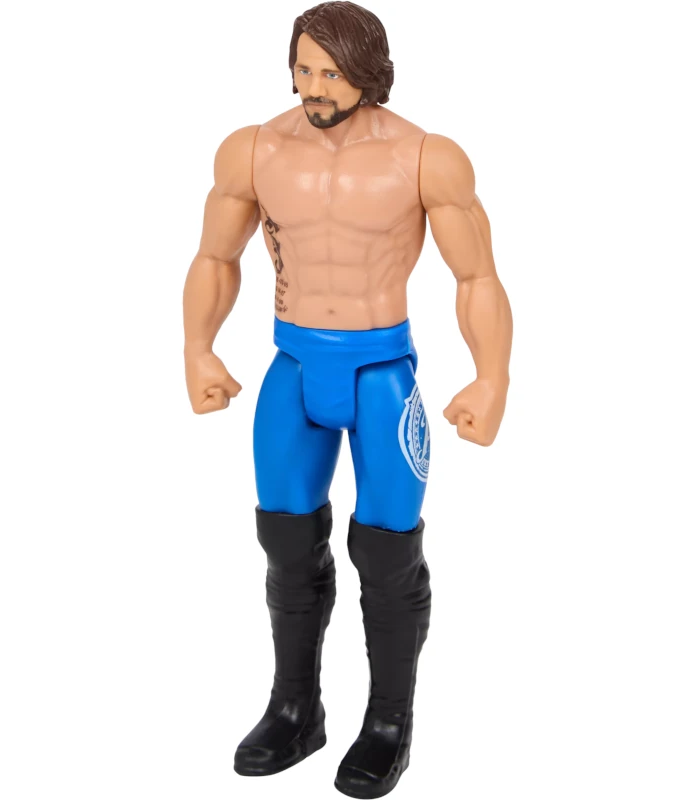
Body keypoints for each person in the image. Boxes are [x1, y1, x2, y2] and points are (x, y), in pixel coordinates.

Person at [182, 2, 512, 797]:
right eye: (303, 69)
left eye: (330, 73)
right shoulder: (256, 150)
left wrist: (491, 376)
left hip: (379, 374)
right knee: (285, 543)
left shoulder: (424, 157)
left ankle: (389, 724)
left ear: (370, 72)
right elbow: (215, 257)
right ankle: (295, 709)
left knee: (388, 554)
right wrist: (198, 348)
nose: (313, 87)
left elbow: (476, 276)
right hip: (293, 370)